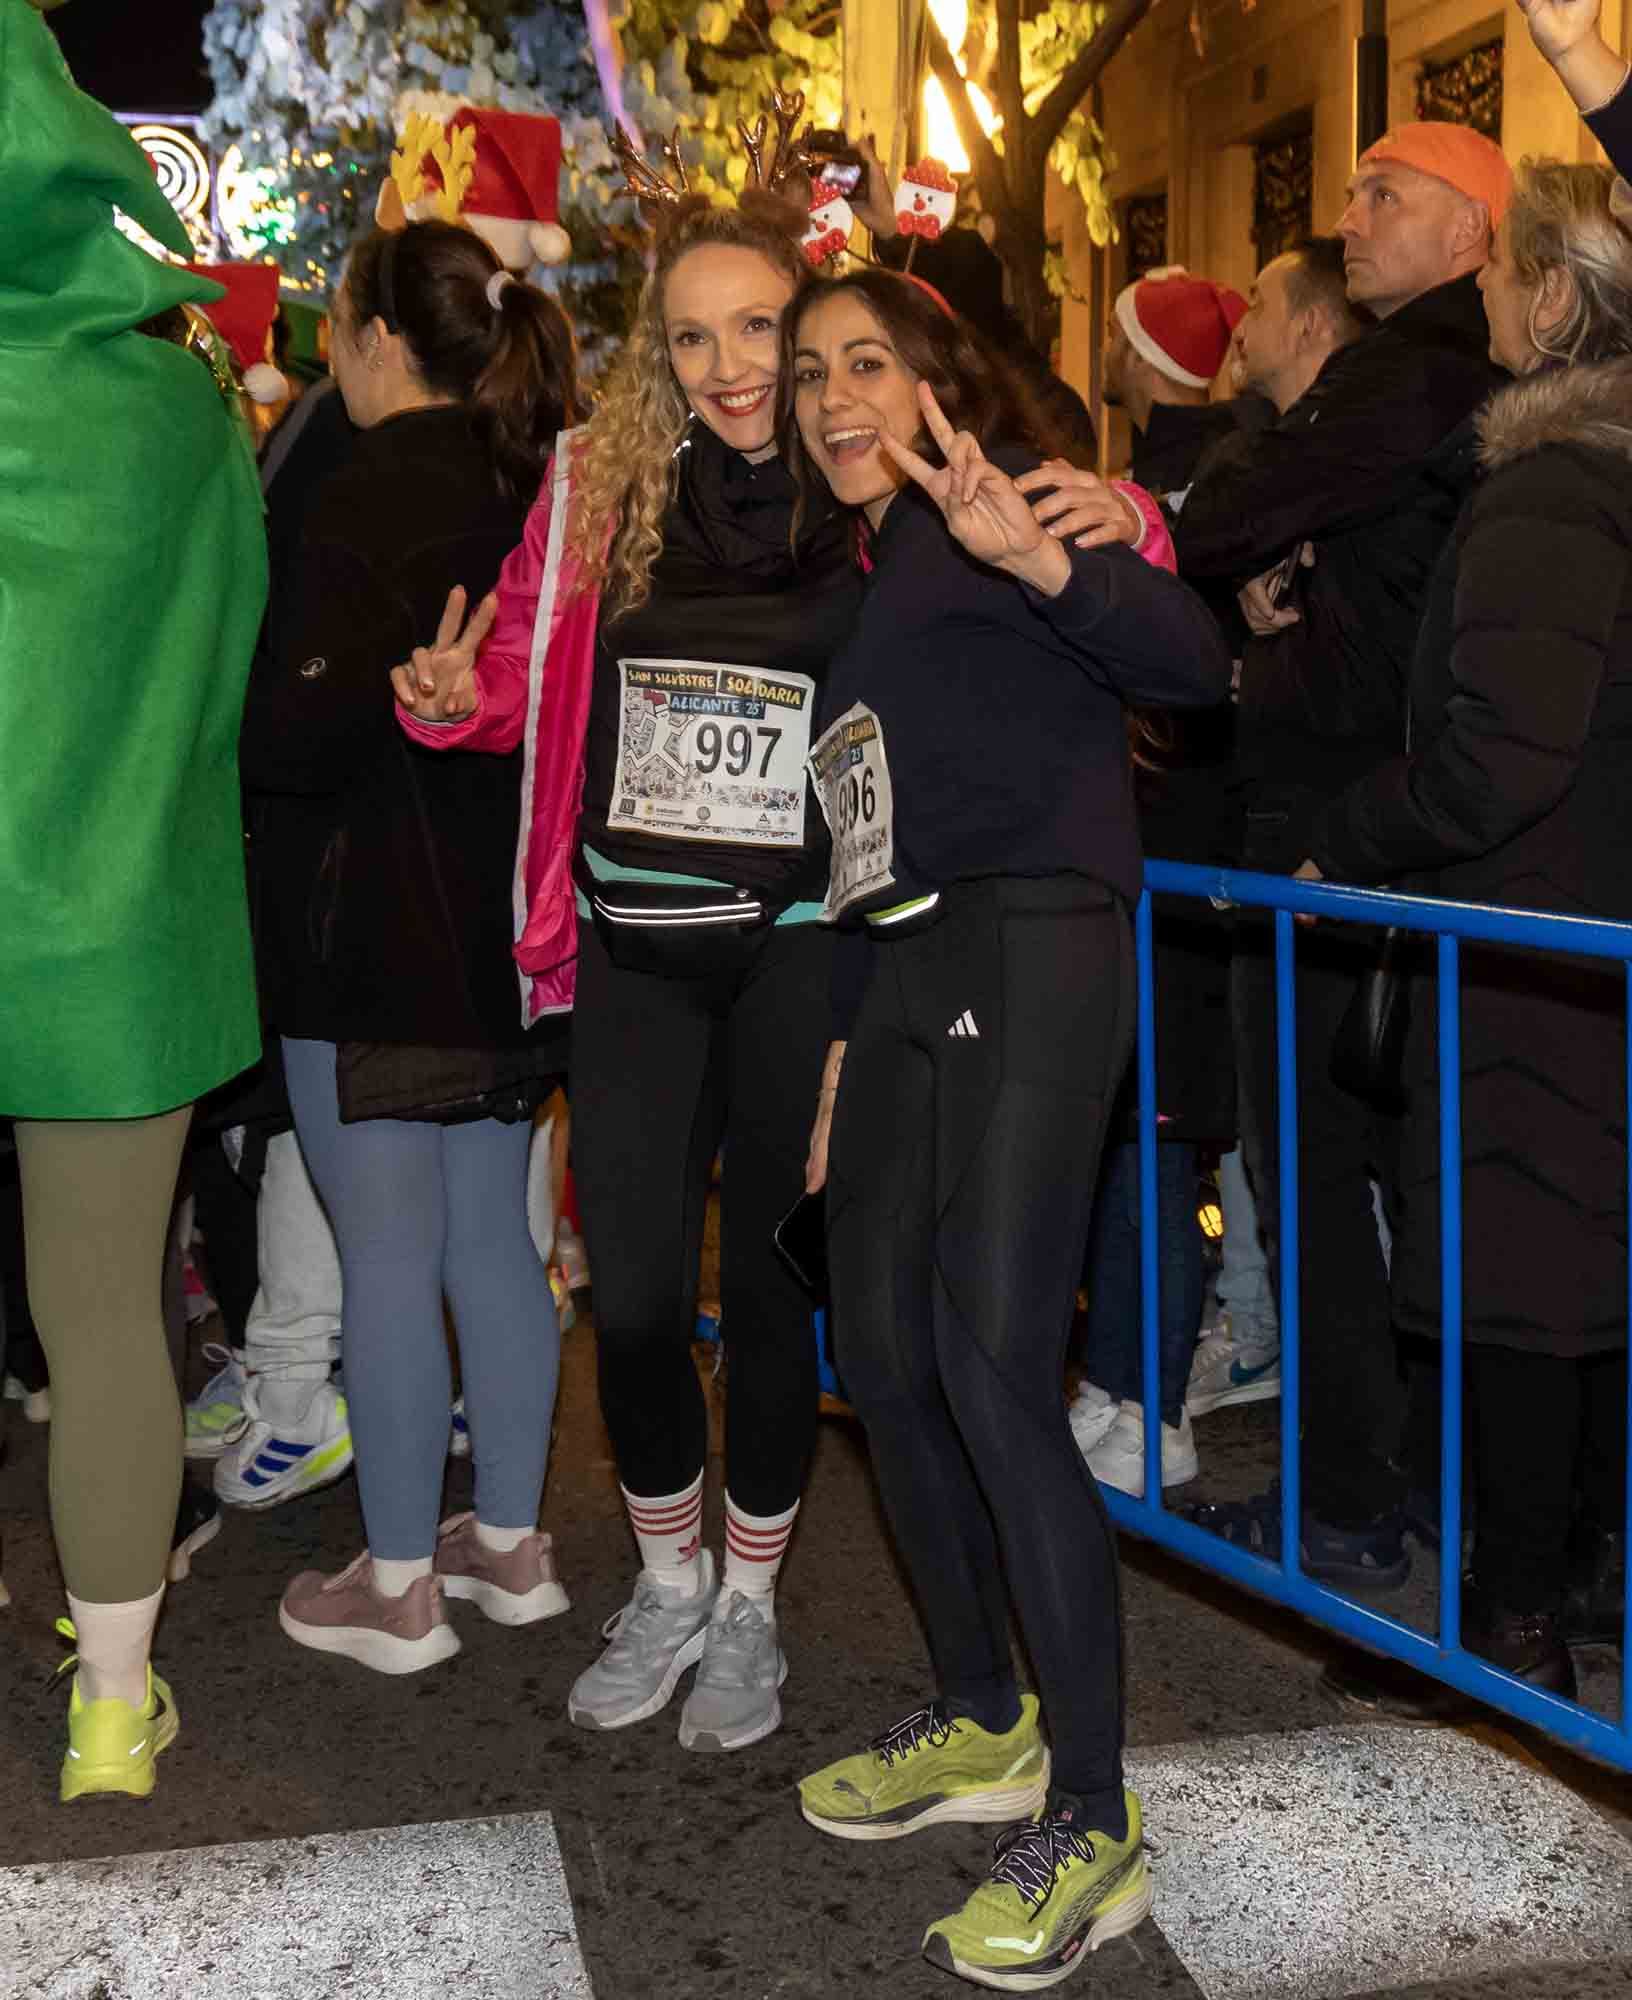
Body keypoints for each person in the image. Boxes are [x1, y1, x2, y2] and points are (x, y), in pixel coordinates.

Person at [394, 139, 1146, 1750]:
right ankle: (666, 1580)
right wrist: (465, 706)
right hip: (639, 948)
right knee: (646, 1296)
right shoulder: (603, 485)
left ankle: (751, 1609)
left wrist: (1127, 508)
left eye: (761, 335)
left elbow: (1027, 514)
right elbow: (527, 667)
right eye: (694, 338)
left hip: (810, 944)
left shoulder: (852, 476)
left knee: (787, 1299)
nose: (733, 371)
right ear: (655, 357)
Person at [788, 267, 1230, 1990]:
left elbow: (1188, 665)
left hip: (1036, 944)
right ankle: (984, 1717)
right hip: (904, 970)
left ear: (940, 380)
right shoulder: (871, 562)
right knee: (878, 1347)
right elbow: (861, 828)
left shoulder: (1010, 501)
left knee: (984, 1357)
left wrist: (1045, 550)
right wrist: (838, 1044)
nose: (833, 395)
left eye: (867, 364)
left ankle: (1096, 1813)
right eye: (812, 369)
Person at [1301, 159, 1632, 1699]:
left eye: (1510, 274)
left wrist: (1350, 835)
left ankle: (1511, 1628)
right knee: (1581, 1293)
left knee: (1522, 1296)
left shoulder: (1556, 486)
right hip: (1580, 949)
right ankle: (1578, 1587)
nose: (1488, 292)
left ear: (1558, 298)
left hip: (1530, 951)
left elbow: (1500, 753)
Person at [239, 219, 580, 1673]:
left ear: (383, 341)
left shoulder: (359, 495)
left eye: (336, 322)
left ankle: (395, 1583)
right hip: (507, 936)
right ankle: (508, 1543)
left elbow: (292, 735)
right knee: (493, 1242)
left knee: (384, 1254)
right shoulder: (541, 485)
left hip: (365, 930)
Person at [1174, 123, 1512, 1585]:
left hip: (1332, 830)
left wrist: (1254, 531)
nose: (1352, 213)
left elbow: (1227, 518)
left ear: (1473, 240)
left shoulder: (1409, 370)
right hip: (1399, 818)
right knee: (1390, 1169)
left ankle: (1353, 1498)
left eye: (1389, 196)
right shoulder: (1463, 379)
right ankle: (1408, 1490)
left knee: (1313, 1163)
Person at [0, 0, 267, 1798]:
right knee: (103, 1320)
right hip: (109, 937)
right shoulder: (183, 410)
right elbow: (226, 669)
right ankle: (111, 1708)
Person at [1178, 237, 1371, 1422]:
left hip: (1333, 842)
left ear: (1312, 329)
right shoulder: (1287, 467)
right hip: (1283, 830)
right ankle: (1285, 1357)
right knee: (1280, 1135)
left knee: (1318, 1145)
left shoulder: (1346, 455)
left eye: (1266, 304)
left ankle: (1335, 1428)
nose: (1245, 321)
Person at [1103, 267, 1273, 498]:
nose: (1103, 350)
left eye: (1112, 335)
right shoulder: (1172, 462)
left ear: (1139, 355)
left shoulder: (1216, 479)